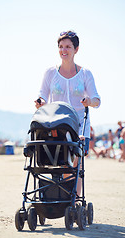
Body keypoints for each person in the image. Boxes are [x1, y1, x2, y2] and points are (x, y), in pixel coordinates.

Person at [35, 30, 101, 196]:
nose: (64, 50)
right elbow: (42, 94)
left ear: (76, 49)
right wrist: (40, 102)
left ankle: (74, 200)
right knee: (56, 162)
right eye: (61, 46)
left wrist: (89, 102)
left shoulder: (85, 74)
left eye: (68, 47)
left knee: (73, 163)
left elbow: (97, 100)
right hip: (55, 125)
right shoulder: (50, 72)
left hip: (79, 128)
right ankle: (58, 197)